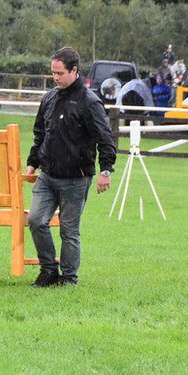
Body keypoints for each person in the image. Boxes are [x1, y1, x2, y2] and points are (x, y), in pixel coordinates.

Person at [25, 47, 117, 287]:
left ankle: (68, 278)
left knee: (69, 230)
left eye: (60, 73)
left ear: (74, 71)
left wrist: (105, 171)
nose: (55, 78)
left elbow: (105, 138)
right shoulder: (49, 98)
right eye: (53, 73)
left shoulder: (89, 102)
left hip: (76, 178)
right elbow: (40, 133)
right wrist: (32, 163)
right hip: (48, 175)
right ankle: (48, 271)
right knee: (35, 220)